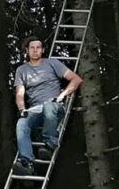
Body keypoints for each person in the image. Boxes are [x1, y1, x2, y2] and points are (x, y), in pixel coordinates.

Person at [13, 36, 83, 176]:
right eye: (32, 48)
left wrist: (62, 95)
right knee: (21, 123)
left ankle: (50, 143)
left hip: (54, 105)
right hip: (35, 109)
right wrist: (22, 110)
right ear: (27, 50)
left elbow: (76, 79)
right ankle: (27, 162)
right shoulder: (21, 70)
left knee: (49, 107)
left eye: (38, 47)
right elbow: (19, 94)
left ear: (43, 50)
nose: (35, 50)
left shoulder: (52, 63)